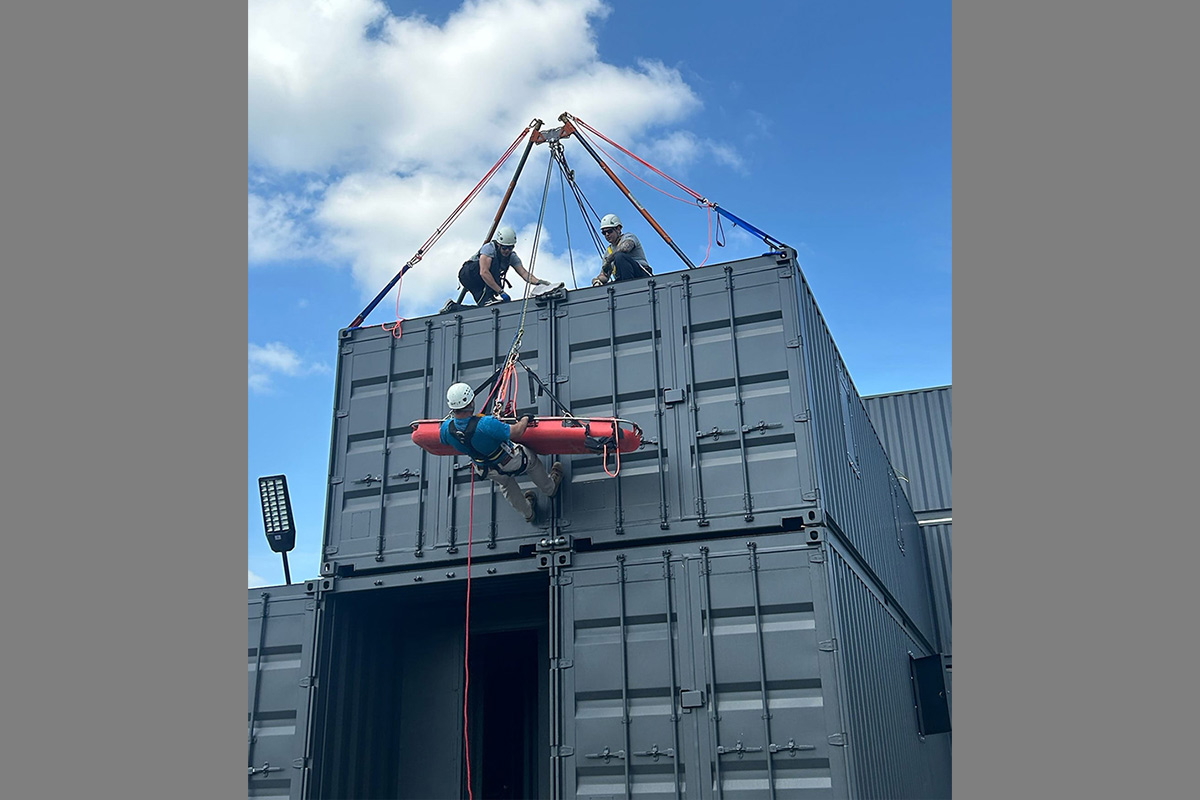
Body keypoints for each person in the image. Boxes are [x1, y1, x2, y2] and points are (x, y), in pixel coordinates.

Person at [439, 382, 565, 523]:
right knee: (531, 460)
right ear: (471, 401)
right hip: (509, 461)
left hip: (484, 468)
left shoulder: (446, 429)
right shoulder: (486, 424)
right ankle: (550, 488)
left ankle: (528, 513)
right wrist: (524, 419)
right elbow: (517, 432)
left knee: (506, 484)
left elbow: (444, 441)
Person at [459, 225, 550, 306]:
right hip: (469, 274)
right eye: (504, 248)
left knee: (485, 307)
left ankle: (453, 307)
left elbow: (524, 273)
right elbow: (484, 272)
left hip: (478, 283)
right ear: (499, 245)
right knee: (494, 263)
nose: (507, 251)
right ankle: (489, 297)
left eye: (510, 248)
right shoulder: (489, 249)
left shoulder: (512, 257)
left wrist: (539, 282)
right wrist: (500, 291)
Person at [591, 213, 653, 286]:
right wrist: (597, 280)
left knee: (620, 256)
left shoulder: (629, 237)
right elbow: (605, 274)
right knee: (606, 288)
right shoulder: (608, 253)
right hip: (622, 278)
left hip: (640, 274)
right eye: (604, 233)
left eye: (609, 231)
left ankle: (627, 286)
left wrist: (609, 260)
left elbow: (625, 248)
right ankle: (624, 286)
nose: (607, 234)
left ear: (618, 229)